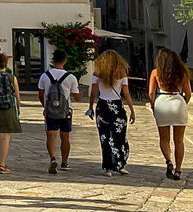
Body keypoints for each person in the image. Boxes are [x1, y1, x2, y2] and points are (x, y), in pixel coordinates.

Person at [89, 49, 136, 177]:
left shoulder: (97, 74)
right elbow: (126, 94)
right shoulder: (122, 74)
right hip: (117, 107)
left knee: (105, 137)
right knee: (119, 137)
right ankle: (120, 164)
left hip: (103, 106)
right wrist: (132, 110)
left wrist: (90, 106)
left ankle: (108, 167)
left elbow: (93, 92)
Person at [149, 46, 192, 181]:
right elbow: (189, 93)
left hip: (162, 102)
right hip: (178, 102)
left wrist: (153, 105)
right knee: (179, 140)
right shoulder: (182, 73)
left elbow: (151, 93)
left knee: (164, 139)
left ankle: (168, 161)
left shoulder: (156, 73)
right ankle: (178, 170)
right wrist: (183, 102)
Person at [38, 49, 81, 173]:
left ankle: (52, 158)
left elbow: (40, 94)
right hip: (66, 111)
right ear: (65, 60)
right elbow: (77, 97)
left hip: (50, 111)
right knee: (65, 136)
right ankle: (65, 162)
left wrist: (45, 106)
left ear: (53, 60)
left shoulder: (45, 75)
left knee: (51, 136)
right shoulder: (71, 77)